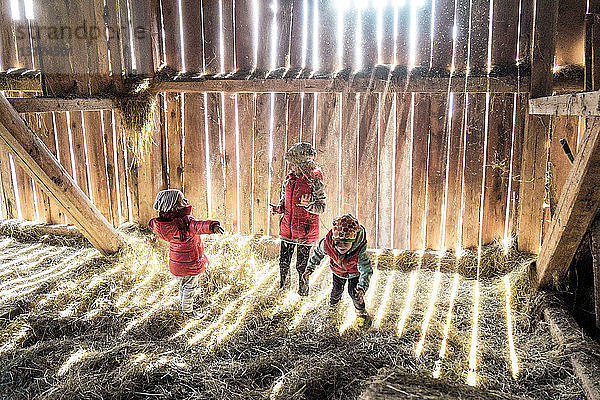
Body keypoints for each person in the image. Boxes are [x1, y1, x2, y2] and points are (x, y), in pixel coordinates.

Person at [149, 189, 224, 319]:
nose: (186, 201)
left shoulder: (162, 223)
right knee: (190, 287)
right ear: (174, 206)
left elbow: (152, 223)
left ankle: (184, 305)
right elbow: (198, 226)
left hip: (176, 265)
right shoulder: (184, 222)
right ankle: (188, 311)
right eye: (182, 200)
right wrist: (212, 227)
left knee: (183, 285)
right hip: (189, 264)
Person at [270, 142, 326, 296]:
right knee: (284, 263)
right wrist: (279, 208)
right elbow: (284, 199)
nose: (291, 168)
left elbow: (321, 207)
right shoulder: (290, 178)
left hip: (305, 232)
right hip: (287, 229)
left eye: (294, 164)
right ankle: (283, 290)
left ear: (304, 164)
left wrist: (309, 205)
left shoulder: (314, 179)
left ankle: (303, 294)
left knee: (302, 266)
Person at [302, 214, 372, 327]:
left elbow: (366, 269)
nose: (341, 246)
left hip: (354, 273)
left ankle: (361, 313)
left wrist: (362, 288)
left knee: (354, 293)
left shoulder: (359, 251)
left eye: (346, 243)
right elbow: (318, 254)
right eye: (338, 242)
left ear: (353, 241)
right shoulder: (327, 245)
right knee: (336, 291)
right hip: (338, 272)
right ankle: (333, 311)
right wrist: (310, 268)